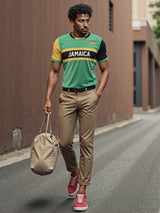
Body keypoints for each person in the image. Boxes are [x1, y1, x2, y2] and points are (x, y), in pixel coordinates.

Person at [43, 4, 109, 211]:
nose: (85, 24)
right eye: (81, 20)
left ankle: (82, 192)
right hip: (67, 96)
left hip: (89, 95)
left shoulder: (97, 42)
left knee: (87, 144)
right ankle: (74, 171)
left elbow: (105, 70)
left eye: (88, 20)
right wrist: (48, 98)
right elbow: (54, 71)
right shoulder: (61, 42)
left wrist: (97, 94)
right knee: (63, 142)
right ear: (72, 21)